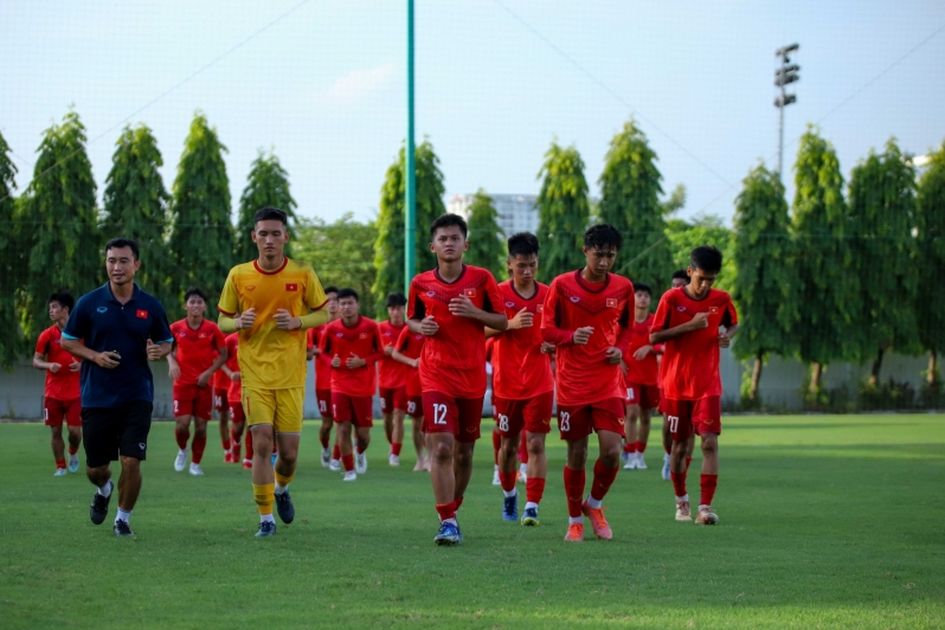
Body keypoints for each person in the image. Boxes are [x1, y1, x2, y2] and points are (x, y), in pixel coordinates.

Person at [218, 207, 329, 538]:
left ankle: (281, 489)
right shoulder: (238, 275)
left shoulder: (302, 272)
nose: (269, 239)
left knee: (289, 455)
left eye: (275, 233)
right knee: (262, 443)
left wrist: (298, 321)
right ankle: (265, 517)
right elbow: (222, 321)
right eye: (263, 233)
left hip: (291, 376)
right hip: (255, 375)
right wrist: (238, 322)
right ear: (254, 237)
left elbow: (324, 314)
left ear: (285, 237)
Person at [61, 238, 173, 537]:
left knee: (131, 460)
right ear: (106, 264)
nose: (117, 267)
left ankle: (122, 519)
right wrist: (94, 356)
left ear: (136, 265)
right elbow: (67, 341)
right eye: (112, 260)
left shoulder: (150, 305)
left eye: (124, 261)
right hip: (97, 396)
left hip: (137, 395)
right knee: (96, 469)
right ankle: (104, 489)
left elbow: (166, 340)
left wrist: (159, 350)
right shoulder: (89, 303)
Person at [407, 213, 507, 545]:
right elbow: (412, 319)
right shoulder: (420, 283)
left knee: (464, 453)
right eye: (443, 239)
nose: (449, 243)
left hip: (471, 378)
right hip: (435, 375)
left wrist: (474, 313)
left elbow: (502, 321)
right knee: (441, 448)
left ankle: (452, 510)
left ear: (466, 244)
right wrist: (422, 327)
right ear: (432, 246)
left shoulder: (482, 279)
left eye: (455, 238)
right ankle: (447, 520)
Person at [540, 224, 634, 542]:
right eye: (598, 255)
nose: (604, 262)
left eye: (610, 256)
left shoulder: (623, 287)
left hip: (608, 382)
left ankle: (593, 504)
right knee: (577, 453)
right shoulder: (562, 285)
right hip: (572, 384)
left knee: (612, 450)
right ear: (585, 251)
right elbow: (545, 330)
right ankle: (574, 520)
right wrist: (570, 336)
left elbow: (628, 327)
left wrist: (620, 349)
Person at [650, 246, 737, 526]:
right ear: (690, 272)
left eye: (711, 280)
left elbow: (732, 324)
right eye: (701, 278)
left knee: (709, 442)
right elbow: (654, 336)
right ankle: (681, 500)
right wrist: (690, 325)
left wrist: (726, 335)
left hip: (708, 384)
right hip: (676, 385)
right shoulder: (671, 298)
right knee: (679, 447)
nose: (705, 285)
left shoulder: (721, 299)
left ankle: (705, 507)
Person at [486, 232, 555, 526]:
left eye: (532, 265)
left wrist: (554, 344)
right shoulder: (497, 294)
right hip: (507, 384)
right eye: (521, 265)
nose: (527, 271)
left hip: (540, 383)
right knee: (508, 446)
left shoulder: (549, 294)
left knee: (536, 444)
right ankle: (510, 494)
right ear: (509, 264)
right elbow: (479, 331)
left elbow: (558, 332)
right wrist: (509, 324)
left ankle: (532, 506)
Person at [318, 288, 384, 481]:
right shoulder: (331, 329)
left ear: (357, 305)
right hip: (339, 385)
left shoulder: (371, 327)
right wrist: (331, 361)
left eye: (350, 303)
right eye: (343, 304)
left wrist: (363, 361)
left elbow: (380, 352)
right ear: (338, 307)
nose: (346, 307)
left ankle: (360, 452)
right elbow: (323, 352)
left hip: (363, 387)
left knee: (363, 435)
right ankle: (349, 470)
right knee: (343, 428)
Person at [167, 288, 227, 476]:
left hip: (204, 385)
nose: (195, 305)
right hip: (182, 383)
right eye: (192, 302)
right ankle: (182, 449)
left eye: (199, 302)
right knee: (182, 424)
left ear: (205, 307)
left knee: (201, 427)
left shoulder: (212, 329)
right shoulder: (176, 328)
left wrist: (209, 373)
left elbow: (224, 354)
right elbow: (165, 348)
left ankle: (195, 463)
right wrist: (171, 362)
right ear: (185, 306)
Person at [33, 291, 82, 476]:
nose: (51, 311)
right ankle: (61, 466)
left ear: (65, 309)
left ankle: (73, 452)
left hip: (76, 392)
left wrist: (82, 364)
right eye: (50, 307)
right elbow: (36, 360)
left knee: (75, 432)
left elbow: (94, 355)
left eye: (54, 307)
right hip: (52, 392)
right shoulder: (46, 335)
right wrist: (48, 365)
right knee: (55, 431)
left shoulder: (81, 332)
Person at [621, 283, 661, 471]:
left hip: (650, 377)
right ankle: (630, 455)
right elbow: (612, 342)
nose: (643, 298)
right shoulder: (625, 321)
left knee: (646, 416)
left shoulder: (655, 322)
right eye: (639, 295)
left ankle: (640, 454)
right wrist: (619, 361)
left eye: (646, 295)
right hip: (630, 376)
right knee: (631, 413)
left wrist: (650, 348)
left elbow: (665, 345)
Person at [659, 269, 693, 481]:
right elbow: (654, 336)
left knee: (690, 425)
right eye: (673, 284)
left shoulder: (698, 309)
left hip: (694, 377)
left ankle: (682, 466)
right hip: (670, 376)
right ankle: (668, 455)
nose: (676, 288)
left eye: (680, 285)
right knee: (667, 423)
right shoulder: (667, 307)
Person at [306, 286, 340, 469]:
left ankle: (336, 457)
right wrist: (320, 351)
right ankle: (326, 448)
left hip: (343, 383)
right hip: (323, 383)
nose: (332, 304)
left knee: (342, 422)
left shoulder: (347, 325)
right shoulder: (316, 327)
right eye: (329, 301)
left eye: (335, 300)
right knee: (327, 424)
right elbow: (308, 353)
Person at [377, 292, 409, 466]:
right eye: (392, 309)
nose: (396, 312)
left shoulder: (410, 329)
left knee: (398, 416)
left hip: (404, 381)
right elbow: (371, 351)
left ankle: (395, 454)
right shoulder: (380, 328)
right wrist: (383, 351)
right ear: (388, 311)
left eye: (399, 308)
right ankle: (393, 444)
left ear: (404, 309)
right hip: (384, 381)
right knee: (387, 419)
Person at [391, 326, 428, 471]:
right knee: (417, 423)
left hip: (434, 381)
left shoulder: (437, 324)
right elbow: (395, 353)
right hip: (414, 384)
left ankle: (432, 458)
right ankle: (420, 458)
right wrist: (412, 361)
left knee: (433, 424)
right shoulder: (409, 330)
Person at [220, 332, 247, 467]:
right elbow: (219, 359)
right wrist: (230, 373)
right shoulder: (231, 340)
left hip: (256, 388)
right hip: (236, 390)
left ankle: (249, 459)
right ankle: (235, 442)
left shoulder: (260, 336)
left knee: (254, 425)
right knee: (238, 427)